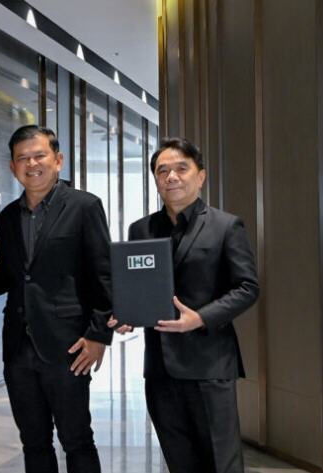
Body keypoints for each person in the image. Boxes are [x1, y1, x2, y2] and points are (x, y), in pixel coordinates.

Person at [109, 137, 259, 473]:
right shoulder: (141, 229)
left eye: (181, 168)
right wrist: (127, 314)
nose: (171, 177)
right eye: (162, 171)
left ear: (200, 176)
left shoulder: (225, 226)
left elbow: (248, 287)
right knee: (179, 462)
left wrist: (201, 318)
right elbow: (136, 286)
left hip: (209, 365)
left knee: (221, 462)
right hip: (159, 369)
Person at [0, 125, 113, 473]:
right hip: (18, 347)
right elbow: (8, 273)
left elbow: (104, 275)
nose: (31, 164)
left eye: (39, 156)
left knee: (77, 440)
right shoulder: (8, 216)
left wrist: (99, 335)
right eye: (22, 158)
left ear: (58, 160)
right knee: (33, 442)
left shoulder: (84, 206)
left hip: (68, 347)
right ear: (12, 167)